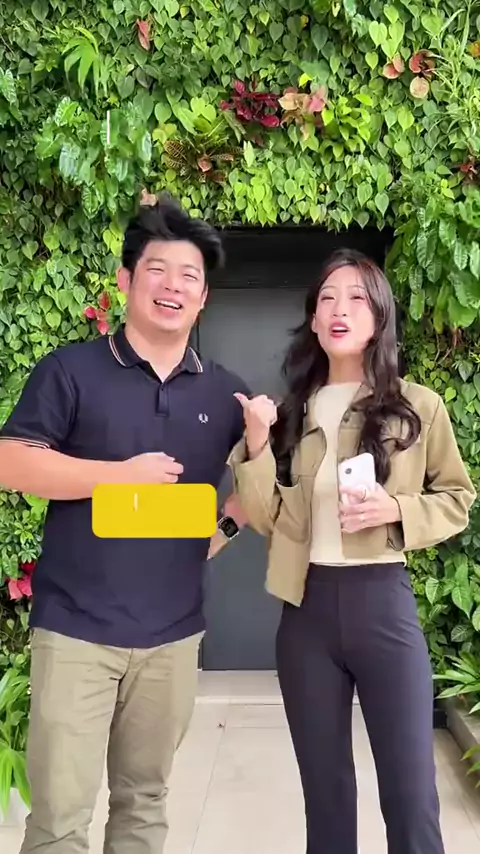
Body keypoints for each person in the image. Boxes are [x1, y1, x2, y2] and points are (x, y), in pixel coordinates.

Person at [0, 193, 250, 854]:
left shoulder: (225, 394)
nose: (174, 286)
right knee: (59, 820)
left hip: (172, 639)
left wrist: (215, 534)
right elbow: (12, 461)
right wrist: (117, 475)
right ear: (126, 280)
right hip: (76, 632)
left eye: (190, 276)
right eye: (158, 270)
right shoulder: (71, 371)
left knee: (144, 805)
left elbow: (254, 496)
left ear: (204, 298)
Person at [229, 247, 476, 854]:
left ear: (379, 316)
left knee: (411, 795)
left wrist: (398, 510)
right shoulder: (290, 415)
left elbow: (457, 498)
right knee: (327, 795)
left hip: (382, 604)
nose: (340, 309)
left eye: (357, 297)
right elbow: (266, 517)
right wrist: (256, 447)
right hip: (306, 613)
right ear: (313, 319)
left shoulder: (418, 406)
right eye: (328, 298)